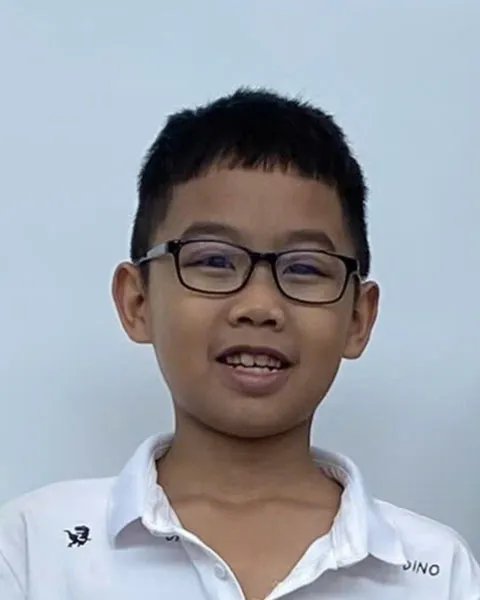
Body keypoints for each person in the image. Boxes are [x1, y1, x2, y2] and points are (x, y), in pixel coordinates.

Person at [0, 88, 478, 600]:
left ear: (358, 318)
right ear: (137, 302)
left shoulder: (434, 571)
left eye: (305, 268)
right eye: (213, 261)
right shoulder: (33, 548)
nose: (260, 305)